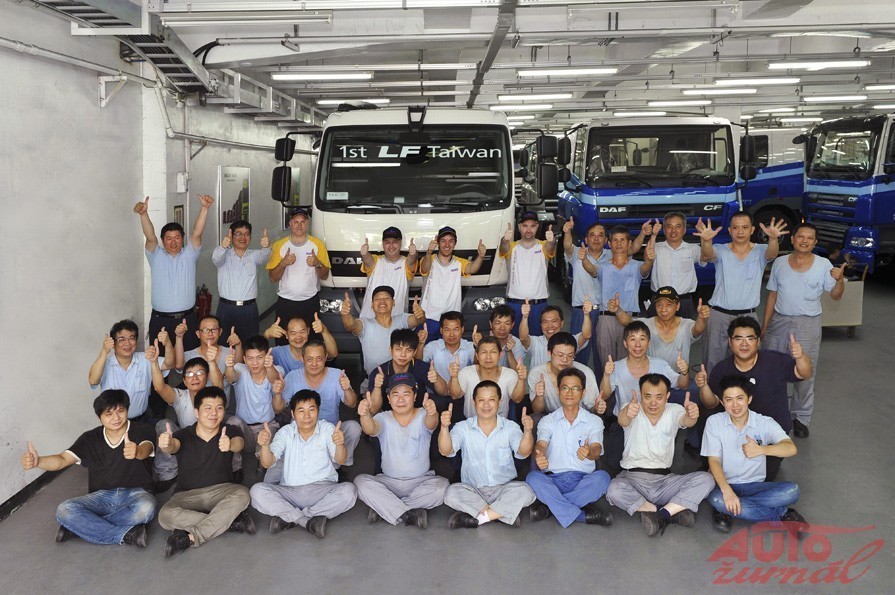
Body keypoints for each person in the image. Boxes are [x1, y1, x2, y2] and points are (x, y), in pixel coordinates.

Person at [21, 390, 155, 547]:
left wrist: (137, 451)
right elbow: (63, 460)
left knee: (146, 509)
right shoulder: (90, 438)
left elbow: (146, 448)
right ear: (99, 417)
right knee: (64, 510)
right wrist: (38, 461)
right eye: (109, 413)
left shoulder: (143, 430)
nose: (116, 418)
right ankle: (125, 534)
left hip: (137, 493)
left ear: (127, 410)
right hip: (101, 496)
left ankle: (79, 528)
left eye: (120, 411)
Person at [697, 316, 811, 481]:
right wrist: (703, 386)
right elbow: (711, 403)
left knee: (763, 478)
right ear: (730, 342)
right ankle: (711, 462)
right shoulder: (722, 369)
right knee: (705, 414)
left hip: (768, 434)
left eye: (750, 338)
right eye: (738, 338)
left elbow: (804, 373)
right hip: (734, 430)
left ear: (758, 342)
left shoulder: (775, 360)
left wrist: (800, 356)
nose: (744, 344)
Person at [761, 222, 846, 438]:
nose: (804, 241)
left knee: (806, 372)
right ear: (792, 239)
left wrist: (840, 281)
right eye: (801, 236)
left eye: (810, 238)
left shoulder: (823, 265)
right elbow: (772, 295)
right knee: (772, 369)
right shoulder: (780, 263)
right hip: (779, 322)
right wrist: (765, 327)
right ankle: (773, 413)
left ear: (815, 243)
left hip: (808, 325)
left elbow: (836, 295)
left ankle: (800, 418)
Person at [606, 374, 714, 536]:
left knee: (707, 479)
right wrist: (627, 412)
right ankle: (671, 512)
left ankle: (659, 515)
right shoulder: (631, 407)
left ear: (667, 396)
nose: (653, 402)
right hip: (634, 480)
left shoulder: (674, 410)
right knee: (614, 490)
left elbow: (686, 420)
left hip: (665, 482)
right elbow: (623, 420)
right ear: (640, 394)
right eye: (647, 396)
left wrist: (692, 415)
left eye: (659, 397)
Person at [157, 387, 254, 557]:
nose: (213, 413)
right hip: (186, 495)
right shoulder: (183, 435)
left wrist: (230, 445)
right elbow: (173, 446)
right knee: (164, 516)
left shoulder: (229, 430)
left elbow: (239, 443)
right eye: (208, 408)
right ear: (196, 412)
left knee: (243, 494)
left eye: (219, 408)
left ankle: (192, 537)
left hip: (221, 492)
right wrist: (166, 444)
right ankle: (229, 521)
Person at [702, 374, 805, 533]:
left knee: (792, 491)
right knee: (717, 499)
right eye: (729, 400)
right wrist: (727, 491)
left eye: (740, 398)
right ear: (722, 402)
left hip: (756, 486)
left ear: (749, 399)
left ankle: (731, 509)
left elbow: (791, 448)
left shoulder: (764, 422)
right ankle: (781, 515)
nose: (735, 405)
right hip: (724, 483)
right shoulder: (714, 422)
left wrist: (762, 449)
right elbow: (714, 461)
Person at [250, 390, 358, 539]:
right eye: (301, 411)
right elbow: (267, 462)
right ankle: (308, 521)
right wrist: (265, 445)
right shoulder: (286, 432)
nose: (307, 416)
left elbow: (340, 460)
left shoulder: (327, 429)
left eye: (311, 410)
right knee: (257, 491)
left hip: (322, 490)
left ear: (318, 411)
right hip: (291, 492)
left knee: (349, 491)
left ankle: (290, 517)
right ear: (293, 414)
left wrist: (340, 444)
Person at [694, 212, 787, 373]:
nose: (740, 231)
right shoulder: (721, 249)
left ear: (752, 230)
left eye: (745, 227)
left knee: (747, 364)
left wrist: (773, 239)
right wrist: (706, 241)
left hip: (747, 316)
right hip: (718, 316)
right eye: (736, 228)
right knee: (713, 363)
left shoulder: (760, 250)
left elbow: (772, 254)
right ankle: (712, 390)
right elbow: (708, 255)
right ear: (730, 230)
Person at [354, 374, 448, 528]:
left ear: (415, 396)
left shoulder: (424, 414)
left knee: (442, 487)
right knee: (360, 483)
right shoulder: (383, 417)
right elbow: (370, 429)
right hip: (388, 482)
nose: (401, 400)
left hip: (420, 481)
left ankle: (385, 508)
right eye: (395, 395)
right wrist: (364, 415)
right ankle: (409, 512)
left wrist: (432, 412)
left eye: (406, 394)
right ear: (388, 398)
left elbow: (432, 423)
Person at [439, 381, 536, 528]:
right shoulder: (463, 427)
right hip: (473, 489)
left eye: (491, 400)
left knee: (526, 492)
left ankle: (480, 518)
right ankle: (502, 514)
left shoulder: (510, 427)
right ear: (474, 402)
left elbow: (523, 452)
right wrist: (444, 427)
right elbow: (446, 450)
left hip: (504, 489)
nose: (486, 405)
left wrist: (528, 431)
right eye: (481, 400)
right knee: (451, 493)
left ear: (499, 402)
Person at [526, 368, 613, 528]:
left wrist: (588, 452)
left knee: (603, 478)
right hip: (553, 481)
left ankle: (551, 508)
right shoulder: (548, 420)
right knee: (533, 478)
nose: (569, 393)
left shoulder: (594, 421)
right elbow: (541, 444)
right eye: (565, 388)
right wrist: (539, 455)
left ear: (583, 392)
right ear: (558, 391)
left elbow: (596, 449)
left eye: (575, 388)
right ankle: (581, 515)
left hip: (582, 481)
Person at [150, 354, 249, 492]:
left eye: (200, 373)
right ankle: (168, 473)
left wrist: (212, 361)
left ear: (207, 377)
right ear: (184, 381)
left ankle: (234, 468)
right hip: (186, 440)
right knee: (163, 424)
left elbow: (219, 385)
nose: (195, 377)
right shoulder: (179, 396)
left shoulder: (212, 394)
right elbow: (160, 388)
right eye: (189, 374)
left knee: (235, 422)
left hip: (216, 438)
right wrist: (154, 362)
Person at [562, 217, 650, 369]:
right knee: (578, 353)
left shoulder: (612, 254)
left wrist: (643, 234)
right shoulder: (578, 252)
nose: (596, 239)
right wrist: (567, 231)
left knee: (601, 357)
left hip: (604, 311)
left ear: (606, 241)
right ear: (586, 239)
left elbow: (632, 248)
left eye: (600, 235)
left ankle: (602, 382)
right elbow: (567, 245)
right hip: (582, 311)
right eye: (592, 235)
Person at [135, 194, 213, 352]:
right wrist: (143, 214)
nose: (173, 242)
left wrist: (204, 208)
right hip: (160, 321)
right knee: (160, 361)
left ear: (182, 239)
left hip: (187, 320)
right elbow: (150, 236)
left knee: (190, 360)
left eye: (177, 237)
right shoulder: (155, 255)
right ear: (163, 240)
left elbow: (197, 233)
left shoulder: (190, 255)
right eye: (168, 238)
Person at [282, 340, 361, 468]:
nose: (314, 364)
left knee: (354, 428)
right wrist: (278, 394)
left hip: (331, 431)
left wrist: (347, 389)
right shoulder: (292, 377)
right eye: (309, 359)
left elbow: (352, 404)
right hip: (302, 432)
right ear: (302, 359)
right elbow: (278, 408)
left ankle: (339, 463)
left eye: (319, 359)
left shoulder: (337, 375)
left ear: (325, 358)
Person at [88, 319, 175, 424]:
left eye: (131, 338)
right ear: (113, 343)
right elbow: (93, 380)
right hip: (114, 423)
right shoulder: (104, 364)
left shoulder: (145, 359)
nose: (127, 343)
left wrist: (168, 344)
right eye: (121, 339)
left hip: (142, 421)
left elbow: (169, 364)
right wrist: (104, 351)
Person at [266, 208, 330, 343]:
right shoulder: (279, 245)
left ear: (307, 224)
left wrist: (317, 264)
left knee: (312, 342)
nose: (299, 225)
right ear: (290, 224)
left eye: (303, 222)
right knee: (283, 341)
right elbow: (272, 278)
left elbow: (325, 276)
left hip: (310, 302)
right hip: (286, 302)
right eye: (296, 222)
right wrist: (283, 263)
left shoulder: (318, 244)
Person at [594, 225, 656, 364]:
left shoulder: (636, 266)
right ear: (609, 244)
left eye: (622, 240)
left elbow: (645, 269)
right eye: (615, 240)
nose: (619, 243)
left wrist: (649, 260)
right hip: (606, 318)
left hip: (629, 318)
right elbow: (591, 270)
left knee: (628, 362)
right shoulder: (602, 266)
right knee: (607, 362)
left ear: (629, 243)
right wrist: (584, 260)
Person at [224, 335, 287, 463]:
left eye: (259, 358)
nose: (255, 363)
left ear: (267, 357)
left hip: (267, 426)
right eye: (250, 358)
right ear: (244, 359)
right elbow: (231, 377)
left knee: (264, 456)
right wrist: (229, 366)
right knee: (232, 421)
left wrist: (269, 366)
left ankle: (261, 463)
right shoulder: (240, 369)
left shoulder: (276, 369)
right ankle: (236, 466)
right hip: (244, 428)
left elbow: (275, 379)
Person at [341, 285, 426, 376]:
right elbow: (351, 325)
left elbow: (418, 320)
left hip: (401, 379)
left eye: (386, 298)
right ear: (372, 305)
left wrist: (420, 314)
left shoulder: (401, 319)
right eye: (378, 299)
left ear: (393, 302)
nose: (382, 301)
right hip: (374, 379)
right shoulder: (365, 324)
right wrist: (345, 314)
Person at [419, 226, 487, 339]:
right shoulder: (429, 259)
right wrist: (429, 252)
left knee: (449, 349)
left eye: (451, 241)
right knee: (425, 349)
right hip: (428, 317)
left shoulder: (458, 262)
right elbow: (424, 268)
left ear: (455, 244)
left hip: (450, 321)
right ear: (438, 242)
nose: (447, 245)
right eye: (443, 241)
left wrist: (481, 256)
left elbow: (472, 269)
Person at [498, 210, 557, 336]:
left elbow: (550, 248)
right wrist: (504, 240)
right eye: (525, 226)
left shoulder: (543, 246)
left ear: (537, 227)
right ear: (519, 227)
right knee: (513, 343)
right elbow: (503, 248)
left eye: (532, 226)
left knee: (539, 343)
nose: (529, 230)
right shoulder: (512, 247)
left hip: (538, 306)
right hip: (515, 305)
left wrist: (552, 241)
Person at [212, 220, 272, 342]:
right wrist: (223, 246)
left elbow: (265, 255)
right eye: (239, 234)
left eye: (246, 234)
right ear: (231, 236)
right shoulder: (223, 255)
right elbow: (216, 258)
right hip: (226, 309)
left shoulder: (254, 255)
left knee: (250, 344)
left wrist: (266, 246)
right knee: (224, 344)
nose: (243, 237)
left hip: (249, 309)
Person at [450, 337, 527, 420]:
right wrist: (454, 377)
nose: (488, 357)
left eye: (493, 352)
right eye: (484, 352)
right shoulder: (466, 372)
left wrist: (521, 379)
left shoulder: (510, 374)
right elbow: (455, 395)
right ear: (477, 355)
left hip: (501, 424)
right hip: (470, 423)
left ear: (500, 355)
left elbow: (517, 399)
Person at [646, 212, 705, 319]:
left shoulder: (693, 249)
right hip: (660, 300)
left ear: (684, 230)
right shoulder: (656, 247)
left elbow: (707, 257)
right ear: (664, 230)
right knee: (656, 330)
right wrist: (653, 235)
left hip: (684, 302)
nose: (673, 231)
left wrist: (704, 238)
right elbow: (647, 256)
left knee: (687, 330)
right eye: (669, 227)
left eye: (678, 226)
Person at [529, 333, 604, 415]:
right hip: (550, 418)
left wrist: (597, 408)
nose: (565, 360)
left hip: (581, 418)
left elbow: (593, 410)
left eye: (570, 356)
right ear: (549, 353)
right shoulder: (537, 373)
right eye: (560, 355)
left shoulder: (586, 373)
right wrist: (539, 396)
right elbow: (537, 411)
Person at [367, 329, 434, 413]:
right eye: (399, 349)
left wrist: (436, 378)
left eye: (408, 350)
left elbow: (444, 391)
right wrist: (377, 386)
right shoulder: (378, 373)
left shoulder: (422, 367)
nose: (403, 355)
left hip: (418, 415)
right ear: (391, 350)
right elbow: (373, 409)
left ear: (414, 352)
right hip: (388, 416)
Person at [359, 226, 418, 318]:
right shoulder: (376, 261)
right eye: (387, 242)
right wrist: (364, 253)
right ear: (383, 244)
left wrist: (414, 253)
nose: (391, 246)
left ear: (400, 243)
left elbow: (412, 259)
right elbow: (367, 259)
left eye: (394, 242)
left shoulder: (406, 263)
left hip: (396, 320)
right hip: (369, 319)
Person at [174, 315, 242, 391]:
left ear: (220, 332)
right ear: (198, 334)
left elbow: (239, 368)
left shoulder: (229, 352)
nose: (210, 333)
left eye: (214, 329)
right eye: (206, 330)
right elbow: (179, 365)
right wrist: (179, 337)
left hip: (222, 397)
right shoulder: (190, 355)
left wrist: (238, 345)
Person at [420, 311, 476, 398]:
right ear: (441, 330)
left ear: (462, 329)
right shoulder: (433, 346)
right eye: (447, 330)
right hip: (437, 396)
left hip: (462, 396)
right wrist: (420, 344)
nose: (451, 334)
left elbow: (478, 365)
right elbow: (418, 363)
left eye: (455, 329)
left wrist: (478, 346)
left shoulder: (470, 347)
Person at [520, 302, 592, 369]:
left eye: (554, 321)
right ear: (541, 325)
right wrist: (525, 317)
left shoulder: (569, 341)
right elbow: (523, 338)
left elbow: (586, 336)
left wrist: (586, 315)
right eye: (545, 322)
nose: (550, 326)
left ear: (562, 323)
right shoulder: (536, 342)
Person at [265, 315, 338, 375]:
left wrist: (324, 330)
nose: (298, 337)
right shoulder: (278, 352)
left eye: (302, 332)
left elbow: (333, 354)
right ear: (286, 334)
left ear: (308, 331)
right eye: (293, 333)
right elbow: (259, 357)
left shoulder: (315, 350)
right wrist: (266, 335)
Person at [487, 305, 527, 369]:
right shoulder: (484, 342)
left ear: (512, 325)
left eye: (507, 323)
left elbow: (518, 372)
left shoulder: (516, 343)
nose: (502, 328)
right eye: (498, 323)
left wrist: (509, 351)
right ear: (491, 324)